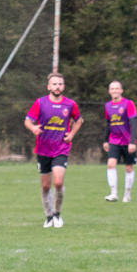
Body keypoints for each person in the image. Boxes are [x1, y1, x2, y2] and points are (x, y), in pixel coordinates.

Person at [24, 72, 84, 228]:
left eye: (60, 84)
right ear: (48, 86)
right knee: (45, 186)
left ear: (63, 86)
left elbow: (79, 120)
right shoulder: (40, 103)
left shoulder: (70, 104)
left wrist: (71, 134)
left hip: (61, 149)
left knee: (58, 183)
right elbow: (27, 120)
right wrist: (33, 128)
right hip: (43, 149)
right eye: (54, 84)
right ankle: (48, 216)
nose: (57, 87)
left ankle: (57, 214)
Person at [102, 80, 137, 203]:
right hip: (114, 141)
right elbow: (108, 123)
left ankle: (127, 194)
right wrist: (105, 140)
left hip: (127, 141)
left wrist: (132, 141)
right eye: (112, 89)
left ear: (121, 90)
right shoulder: (107, 106)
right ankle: (113, 193)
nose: (114, 91)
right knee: (110, 164)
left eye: (117, 88)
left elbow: (133, 123)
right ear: (109, 91)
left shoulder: (128, 104)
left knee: (128, 168)